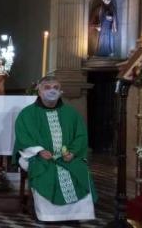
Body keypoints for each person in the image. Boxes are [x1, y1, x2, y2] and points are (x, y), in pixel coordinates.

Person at [13, 76, 97, 223]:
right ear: (39, 91)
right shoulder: (27, 114)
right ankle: (48, 216)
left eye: (56, 87)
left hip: (67, 156)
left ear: (60, 91)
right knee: (45, 171)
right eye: (47, 87)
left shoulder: (71, 113)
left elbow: (81, 136)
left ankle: (75, 216)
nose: (52, 90)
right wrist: (39, 150)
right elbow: (23, 136)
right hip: (38, 156)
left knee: (79, 169)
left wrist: (73, 152)